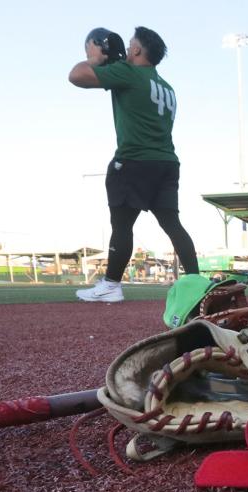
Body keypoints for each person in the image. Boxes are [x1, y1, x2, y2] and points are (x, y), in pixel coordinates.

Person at [69, 26, 199, 303]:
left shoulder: (129, 73)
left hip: (134, 160)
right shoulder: (167, 87)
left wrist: (95, 57)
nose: (126, 50)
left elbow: (76, 75)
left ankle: (112, 285)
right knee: (173, 224)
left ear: (139, 50)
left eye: (130, 45)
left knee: (122, 224)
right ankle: (196, 284)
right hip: (166, 162)